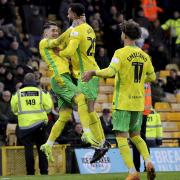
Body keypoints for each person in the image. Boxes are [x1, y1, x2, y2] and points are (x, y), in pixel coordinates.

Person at [83, 20, 156, 180]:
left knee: (121, 137)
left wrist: (93, 73)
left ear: (124, 35)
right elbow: (152, 76)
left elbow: (110, 71)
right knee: (136, 136)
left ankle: (132, 172)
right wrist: (139, 79)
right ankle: (149, 161)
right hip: (138, 102)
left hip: (123, 102)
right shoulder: (144, 55)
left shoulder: (120, 53)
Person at [39, 21, 106, 163]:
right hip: (59, 79)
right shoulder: (44, 42)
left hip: (64, 79)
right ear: (45, 33)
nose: (56, 32)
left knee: (64, 116)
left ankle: (48, 144)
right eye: (53, 30)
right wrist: (72, 27)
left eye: (57, 30)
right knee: (81, 98)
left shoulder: (57, 45)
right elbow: (59, 41)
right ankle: (87, 134)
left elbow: (67, 47)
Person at [59, 3, 110, 163]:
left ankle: (90, 136)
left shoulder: (77, 31)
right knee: (89, 108)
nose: (67, 16)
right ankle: (101, 143)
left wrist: (56, 53)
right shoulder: (89, 28)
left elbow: (69, 51)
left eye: (69, 14)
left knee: (80, 102)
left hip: (86, 73)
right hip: (93, 70)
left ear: (74, 14)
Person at [10, 73, 53, 175]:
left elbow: (14, 110)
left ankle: (30, 173)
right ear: (35, 81)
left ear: (24, 81)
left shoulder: (17, 94)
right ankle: (44, 172)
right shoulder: (42, 93)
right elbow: (49, 108)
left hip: (25, 127)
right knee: (42, 149)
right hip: (40, 125)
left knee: (28, 150)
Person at [132, 83, 151, 172]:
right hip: (145, 112)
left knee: (135, 139)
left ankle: (136, 167)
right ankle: (148, 165)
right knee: (143, 140)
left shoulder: (138, 76)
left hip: (137, 111)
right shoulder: (147, 77)